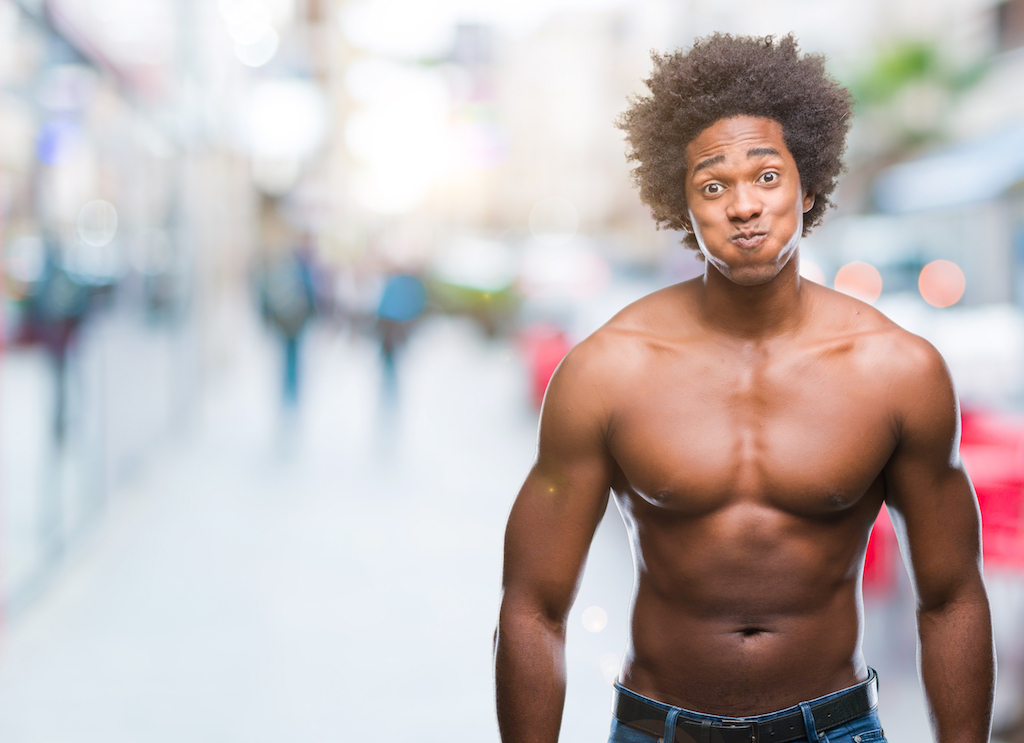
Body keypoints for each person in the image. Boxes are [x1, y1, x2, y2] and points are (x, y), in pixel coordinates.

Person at [494, 33, 994, 743]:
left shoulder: (896, 369)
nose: (744, 206)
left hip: (834, 728)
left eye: (766, 176)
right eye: (713, 185)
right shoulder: (606, 370)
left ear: (808, 185)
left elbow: (950, 596)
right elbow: (531, 606)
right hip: (656, 728)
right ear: (682, 205)